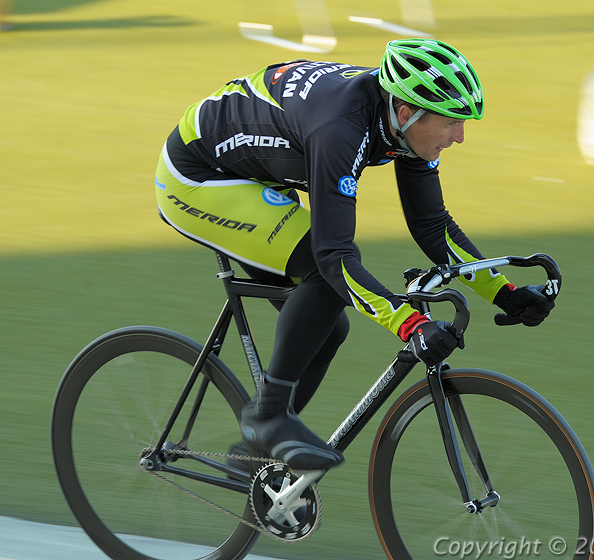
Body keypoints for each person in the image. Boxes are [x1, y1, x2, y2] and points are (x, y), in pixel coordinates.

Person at [154, 39, 555, 473]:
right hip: (197, 179)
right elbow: (334, 256)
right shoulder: (341, 129)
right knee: (327, 279)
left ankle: (255, 459)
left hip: (254, 172)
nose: (459, 137)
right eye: (451, 123)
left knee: (328, 327)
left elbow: (430, 224)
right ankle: (265, 418)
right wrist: (410, 323)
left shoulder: (400, 120)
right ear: (407, 113)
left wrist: (504, 292)